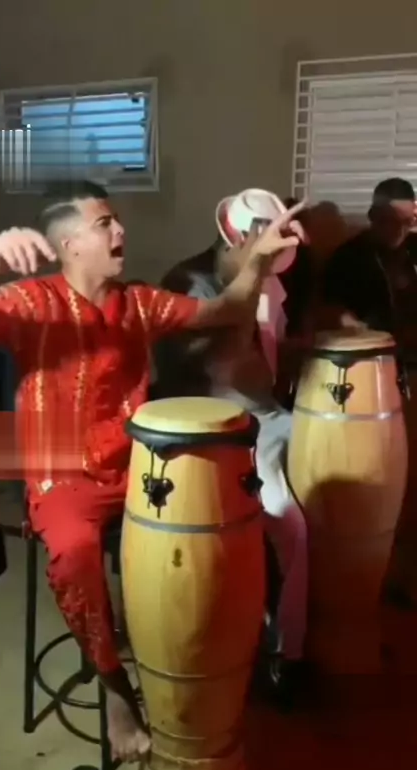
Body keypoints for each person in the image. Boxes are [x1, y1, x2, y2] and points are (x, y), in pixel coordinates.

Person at [0, 180, 303, 760]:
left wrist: (257, 258)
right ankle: (116, 693)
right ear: (69, 244)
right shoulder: (29, 302)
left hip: (136, 463)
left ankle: (215, 659)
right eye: (105, 223)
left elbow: (227, 309)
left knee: (227, 512)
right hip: (61, 472)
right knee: (76, 554)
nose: (121, 231)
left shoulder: (138, 302)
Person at [155, 195, 309, 704]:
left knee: (338, 475)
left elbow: (271, 363)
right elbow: (227, 368)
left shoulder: (272, 280)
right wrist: (252, 282)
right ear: (236, 238)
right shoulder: (188, 284)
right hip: (216, 427)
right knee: (289, 521)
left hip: (268, 414)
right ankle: (284, 656)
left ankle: (302, 620)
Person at [322, 178, 417, 346]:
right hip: (373, 349)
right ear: (373, 216)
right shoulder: (347, 258)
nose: (400, 230)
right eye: (391, 220)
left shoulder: (413, 245)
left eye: (407, 221)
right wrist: (347, 322)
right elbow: (329, 311)